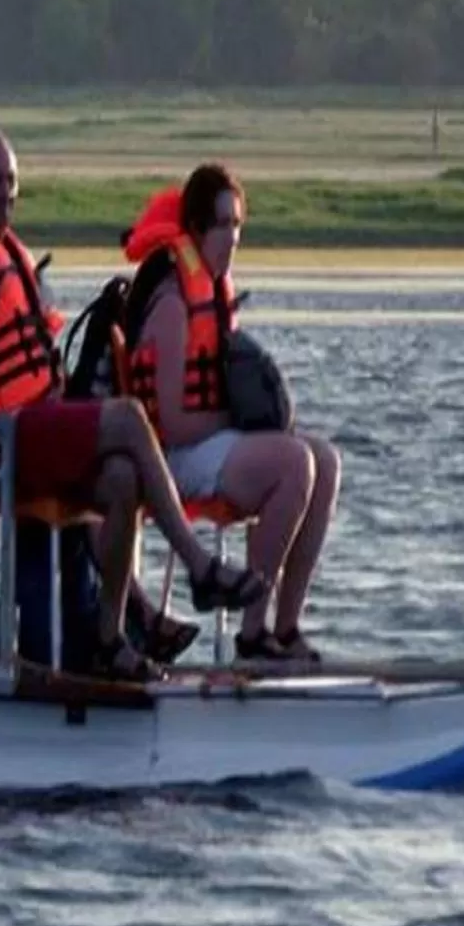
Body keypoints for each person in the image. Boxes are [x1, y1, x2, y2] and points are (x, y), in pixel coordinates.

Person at [0, 126, 265, 680]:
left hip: (40, 429)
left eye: (11, 180)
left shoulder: (12, 263)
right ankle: (200, 567)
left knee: (123, 477)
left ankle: (108, 639)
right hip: (5, 442)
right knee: (127, 416)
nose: (4, 192)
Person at [123, 163, 341, 664]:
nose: (233, 237)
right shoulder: (174, 304)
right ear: (196, 229)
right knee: (293, 464)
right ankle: (251, 633)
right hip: (172, 459)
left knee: (325, 460)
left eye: (239, 224)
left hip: (212, 445)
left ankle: (284, 628)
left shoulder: (216, 295)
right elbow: (174, 424)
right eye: (223, 224)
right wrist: (237, 420)